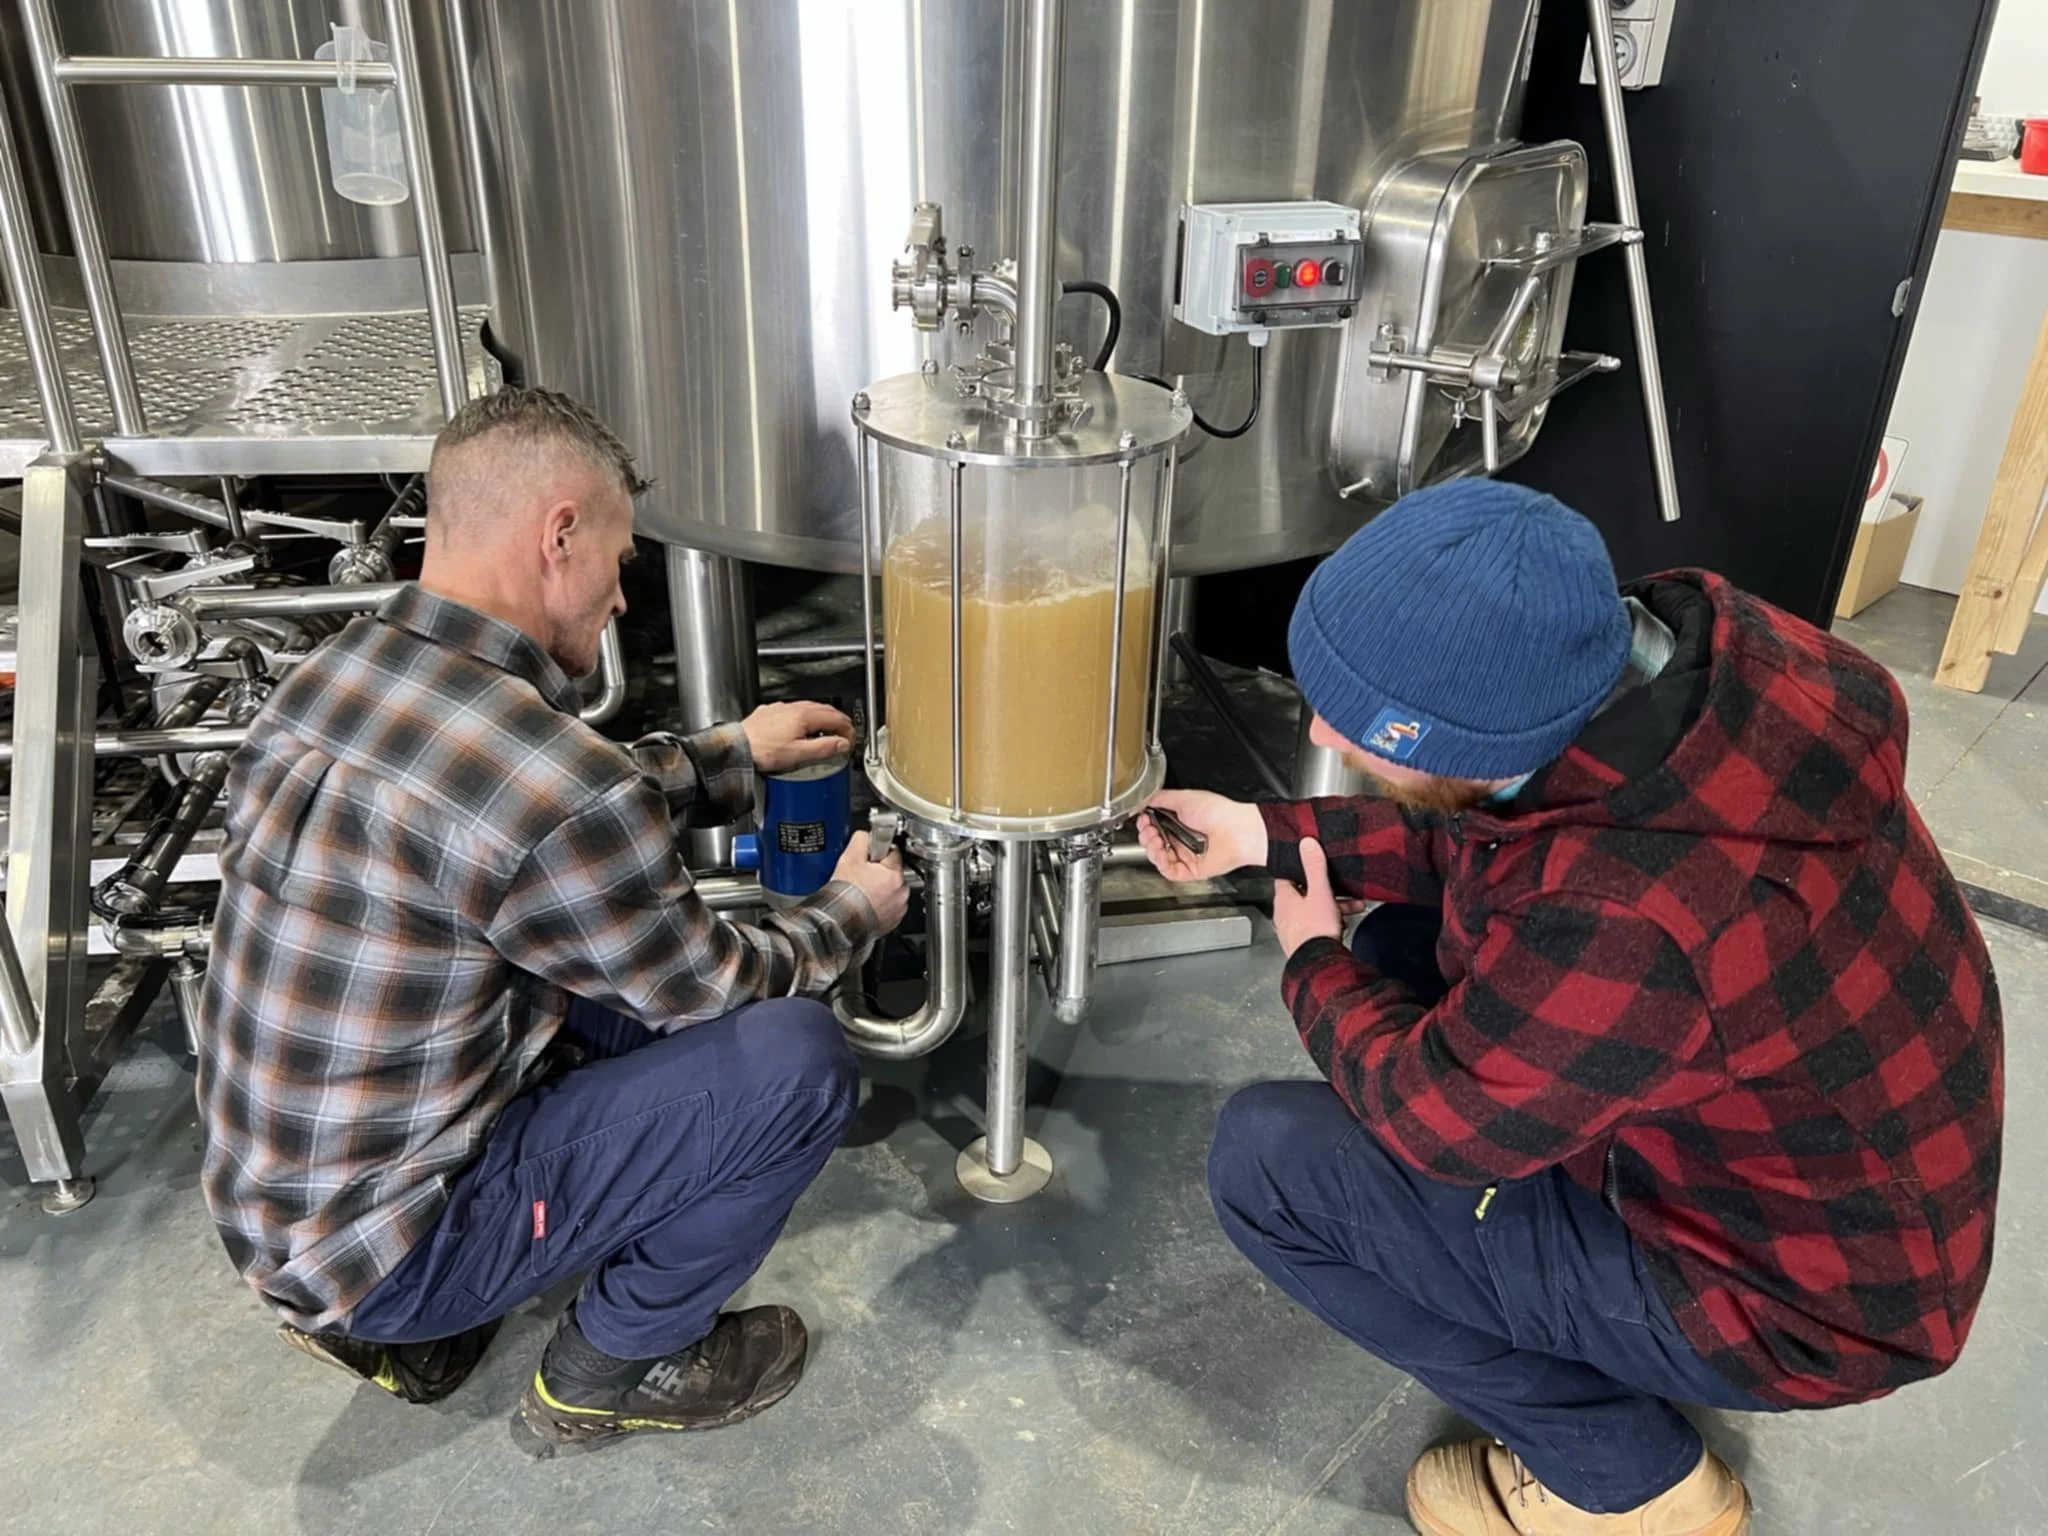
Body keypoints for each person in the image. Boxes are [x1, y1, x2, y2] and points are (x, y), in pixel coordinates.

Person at [1139, 480, 2003, 1536]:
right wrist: (1263, 833)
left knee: (1268, 1164)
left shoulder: (1630, 916)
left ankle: (1624, 1484)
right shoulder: (1690, 667)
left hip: (1797, 1305)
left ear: (1472, 738)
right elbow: (1493, 833)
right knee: (1404, 945)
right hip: (1829, 1179)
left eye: (1365, 726)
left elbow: (1437, 1123)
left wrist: (1310, 962)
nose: (1323, 726)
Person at [196, 387, 909, 1455]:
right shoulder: (553, 783)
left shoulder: (335, 676)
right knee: (791, 1059)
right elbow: (716, 982)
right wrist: (856, 911)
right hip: (390, 1248)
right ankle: (613, 1370)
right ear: (559, 535)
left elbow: (510, 806)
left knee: (604, 991)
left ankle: (414, 1339)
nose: (622, 600)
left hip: (283, 1213)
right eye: (620, 563)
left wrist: (728, 754)